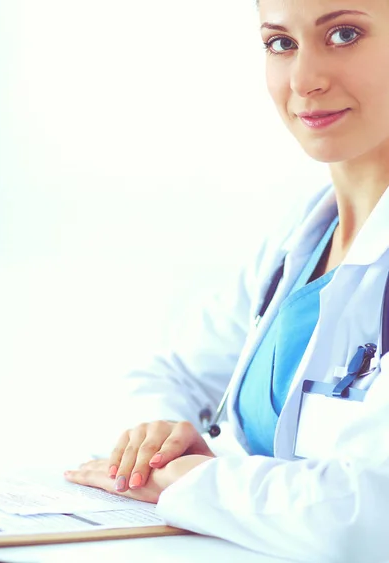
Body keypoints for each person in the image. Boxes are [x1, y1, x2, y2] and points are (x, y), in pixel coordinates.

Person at [64, 0, 389, 561]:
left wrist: (187, 480)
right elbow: (169, 374)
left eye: (344, 34)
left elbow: (365, 517)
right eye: (280, 44)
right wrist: (157, 437)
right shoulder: (303, 241)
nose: (305, 80)